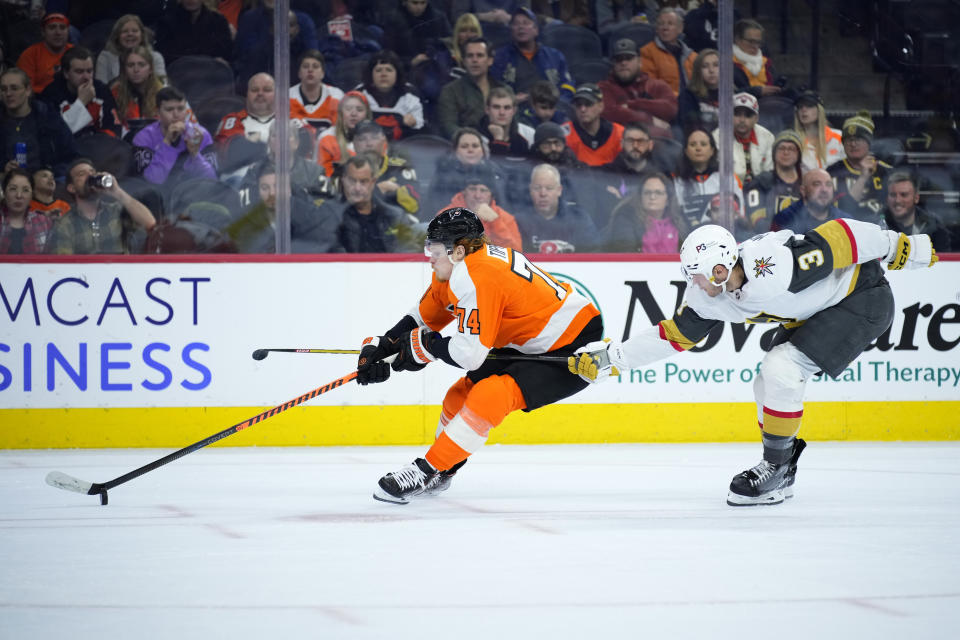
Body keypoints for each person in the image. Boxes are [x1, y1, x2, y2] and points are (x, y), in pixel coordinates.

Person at [570, 220, 939, 506]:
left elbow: (841, 236)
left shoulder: (772, 265)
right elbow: (671, 337)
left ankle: (775, 468)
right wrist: (611, 359)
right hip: (817, 312)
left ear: (719, 268)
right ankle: (784, 463)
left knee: (782, 369)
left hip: (863, 298)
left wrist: (899, 247)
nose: (693, 283)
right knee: (766, 382)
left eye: (698, 273)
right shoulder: (708, 295)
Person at [359, 206, 603, 504]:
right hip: (529, 339)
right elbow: (428, 314)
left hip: (572, 343)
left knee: (491, 395)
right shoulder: (460, 265)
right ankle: (443, 471)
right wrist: (384, 344)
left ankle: (427, 470)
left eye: (433, 250)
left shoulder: (477, 276)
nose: (429, 257)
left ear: (458, 250)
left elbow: (468, 355)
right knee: (457, 396)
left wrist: (425, 347)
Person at [48, 157, 156, 254]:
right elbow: (63, 267)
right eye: (82, 174)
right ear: (72, 188)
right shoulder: (65, 223)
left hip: (120, 274)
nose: (90, 175)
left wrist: (117, 192)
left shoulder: (116, 210)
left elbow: (150, 224)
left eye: (92, 172)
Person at [227, 161, 341, 253]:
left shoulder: (307, 217)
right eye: (265, 188)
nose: (272, 193)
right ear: (258, 192)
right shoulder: (247, 225)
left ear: (288, 189)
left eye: (277, 186)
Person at [133, 86, 217, 186]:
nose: (176, 115)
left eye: (181, 109)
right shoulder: (144, 138)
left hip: (193, 193)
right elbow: (152, 182)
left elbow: (212, 182)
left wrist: (195, 154)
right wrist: (167, 143)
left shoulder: (201, 135)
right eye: (169, 109)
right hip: (159, 196)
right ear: (158, 112)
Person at [1, 68, 76, 179]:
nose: (8, 94)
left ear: (28, 90)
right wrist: (3, 170)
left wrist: (49, 173)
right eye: (3, 89)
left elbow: (70, 155)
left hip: (48, 179)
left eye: (14, 88)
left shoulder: (48, 118)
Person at [238, 119, 330, 209]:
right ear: (269, 142)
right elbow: (246, 205)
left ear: (296, 143)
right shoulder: (255, 171)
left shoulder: (314, 172)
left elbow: (324, 206)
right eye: (275, 136)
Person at [490, 7, 576, 103]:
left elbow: (567, 85)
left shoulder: (555, 56)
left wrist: (557, 105)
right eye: (516, 24)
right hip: (514, 111)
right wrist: (512, 100)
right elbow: (494, 88)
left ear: (536, 30)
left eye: (526, 23)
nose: (520, 27)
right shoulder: (500, 57)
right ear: (511, 30)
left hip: (551, 109)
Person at [331, 154, 415, 253]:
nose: (357, 188)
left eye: (363, 182)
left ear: (373, 182)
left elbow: (408, 256)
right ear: (343, 180)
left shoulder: (395, 217)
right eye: (352, 181)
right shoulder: (331, 218)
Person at [598, 39, 677, 140]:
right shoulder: (603, 88)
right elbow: (609, 112)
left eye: (629, 58)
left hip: (657, 145)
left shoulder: (656, 85)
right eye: (618, 59)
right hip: (619, 143)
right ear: (613, 64)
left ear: (640, 62)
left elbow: (671, 109)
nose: (623, 63)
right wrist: (649, 119)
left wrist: (634, 105)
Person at [40, 46, 121, 138]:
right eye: (79, 72)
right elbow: (56, 135)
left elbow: (114, 128)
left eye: (89, 71)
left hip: (99, 147)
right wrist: (81, 102)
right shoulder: (51, 94)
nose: (86, 77)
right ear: (66, 73)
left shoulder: (101, 90)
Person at [827, 111, 893, 225]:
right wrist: (863, 177)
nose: (853, 144)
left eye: (858, 139)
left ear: (869, 142)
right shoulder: (832, 172)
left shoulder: (886, 172)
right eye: (849, 140)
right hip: (843, 227)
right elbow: (844, 209)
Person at [234, 0, 319, 87]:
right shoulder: (249, 19)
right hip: (257, 84)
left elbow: (312, 58)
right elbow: (244, 59)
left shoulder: (303, 21)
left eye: (291, 25)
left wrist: (292, 40)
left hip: (296, 85)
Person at [514, 163, 595, 252]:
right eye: (537, 188)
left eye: (549, 188)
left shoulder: (578, 217)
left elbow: (593, 253)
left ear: (559, 190)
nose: (543, 194)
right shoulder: (519, 221)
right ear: (530, 190)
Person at [351, 120, 423, 220]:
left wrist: (398, 191)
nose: (369, 144)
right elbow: (339, 208)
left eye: (374, 138)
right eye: (362, 139)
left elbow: (414, 206)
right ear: (354, 144)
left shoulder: (400, 167)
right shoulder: (344, 171)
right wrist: (380, 189)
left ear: (384, 141)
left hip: (396, 227)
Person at [673, 126, 742, 230]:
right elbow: (675, 215)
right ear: (686, 151)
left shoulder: (728, 177)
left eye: (703, 144)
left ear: (712, 150)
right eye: (692, 144)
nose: (698, 148)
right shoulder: (677, 181)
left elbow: (739, 211)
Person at [602, 172, 688, 253]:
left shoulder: (679, 222)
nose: (652, 197)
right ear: (640, 197)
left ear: (668, 199)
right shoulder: (626, 220)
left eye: (658, 193)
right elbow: (626, 255)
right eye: (647, 192)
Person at [436, 37, 505, 139]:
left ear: (490, 60)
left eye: (480, 55)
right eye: (470, 56)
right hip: (466, 148)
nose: (474, 60)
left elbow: (514, 123)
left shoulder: (504, 89)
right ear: (464, 61)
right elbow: (448, 126)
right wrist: (474, 140)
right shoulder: (450, 91)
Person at [426, 126, 505, 215]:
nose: (470, 150)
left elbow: (501, 208)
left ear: (482, 151)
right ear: (455, 151)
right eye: (464, 146)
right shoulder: (444, 174)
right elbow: (439, 210)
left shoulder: (491, 172)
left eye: (475, 146)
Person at [442, 164, 521, 249]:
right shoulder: (446, 216)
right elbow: (439, 249)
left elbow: (515, 254)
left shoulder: (506, 219)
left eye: (483, 190)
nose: (477, 195)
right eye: (472, 189)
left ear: (492, 195)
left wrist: (495, 222)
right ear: (464, 192)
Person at [743, 129, 804, 232]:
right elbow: (756, 220)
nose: (786, 152)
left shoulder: (807, 184)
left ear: (799, 154)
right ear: (774, 153)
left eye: (791, 149)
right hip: (768, 240)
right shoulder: (760, 182)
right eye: (781, 148)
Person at [355, 50, 425, 141]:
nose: (383, 74)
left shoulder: (410, 94)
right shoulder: (358, 95)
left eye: (389, 70)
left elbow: (421, 128)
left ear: (397, 74)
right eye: (378, 70)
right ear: (371, 74)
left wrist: (413, 123)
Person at [882, 171, 952, 252]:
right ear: (887, 198)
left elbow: (944, 261)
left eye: (904, 195)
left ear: (916, 198)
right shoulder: (877, 224)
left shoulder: (934, 226)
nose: (898, 200)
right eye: (893, 195)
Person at [712, 92, 773, 185]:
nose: (742, 120)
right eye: (737, 114)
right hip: (729, 189)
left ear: (756, 118)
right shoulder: (717, 137)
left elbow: (769, 172)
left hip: (760, 189)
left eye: (748, 115)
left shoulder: (768, 137)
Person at [155, 0, 234, 66]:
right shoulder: (166, 23)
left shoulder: (218, 21)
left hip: (210, 75)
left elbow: (226, 53)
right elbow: (165, 55)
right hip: (179, 74)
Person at [770, 168, 848, 234]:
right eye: (817, 184)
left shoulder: (845, 221)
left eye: (828, 184)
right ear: (803, 190)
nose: (824, 190)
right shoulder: (784, 220)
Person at [95, 14, 167, 86]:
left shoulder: (155, 57)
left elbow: (163, 87)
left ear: (142, 35)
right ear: (117, 36)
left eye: (135, 31)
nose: (130, 34)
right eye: (125, 31)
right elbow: (101, 88)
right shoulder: (105, 56)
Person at [111, 45, 165, 140]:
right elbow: (112, 127)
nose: (136, 70)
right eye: (131, 65)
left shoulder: (164, 93)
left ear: (151, 69)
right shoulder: (115, 93)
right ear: (124, 70)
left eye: (141, 65)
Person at [640, 8, 697, 96]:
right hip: (666, 103)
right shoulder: (647, 52)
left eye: (670, 24)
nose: (665, 28)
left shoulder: (693, 56)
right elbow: (650, 86)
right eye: (661, 24)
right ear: (657, 29)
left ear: (680, 28)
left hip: (694, 103)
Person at [565, 83, 624, 167]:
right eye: (578, 104)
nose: (583, 109)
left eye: (588, 104)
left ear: (601, 106)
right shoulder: (564, 133)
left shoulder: (619, 133)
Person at [316, 91, 372, 177]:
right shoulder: (326, 138)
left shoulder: (376, 138)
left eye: (359, 110)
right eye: (348, 109)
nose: (353, 114)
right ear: (340, 113)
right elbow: (322, 176)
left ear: (367, 115)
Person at [16, 12, 72, 94]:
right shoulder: (30, 54)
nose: (58, 32)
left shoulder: (75, 52)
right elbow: (25, 89)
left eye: (62, 28)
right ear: (43, 32)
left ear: (68, 32)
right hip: (40, 100)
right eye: (52, 28)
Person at [216, 73, 277, 147]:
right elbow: (229, 151)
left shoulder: (290, 119)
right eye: (254, 90)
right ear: (247, 94)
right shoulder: (234, 121)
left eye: (267, 90)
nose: (260, 93)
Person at [289, 50, 343, 134]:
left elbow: (340, 132)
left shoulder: (336, 96)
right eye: (306, 66)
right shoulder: (288, 96)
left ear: (323, 73)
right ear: (299, 73)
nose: (310, 70)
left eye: (315, 66)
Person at [0, 168, 53, 254]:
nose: (19, 195)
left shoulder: (44, 222)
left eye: (25, 190)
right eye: (13, 189)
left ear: (32, 195)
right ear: (4, 193)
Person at [732, 18, 784, 98]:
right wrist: (757, 91)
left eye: (758, 42)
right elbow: (730, 93)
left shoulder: (766, 63)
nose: (755, 46)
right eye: (751, 41)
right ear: (737, 39)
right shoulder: (726, 63)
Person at [793, 90, 843, 170]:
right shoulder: (794, 140)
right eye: (800, 106)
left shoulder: (839, 137)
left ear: (819, 110)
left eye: (809, 105)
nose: (804, 110)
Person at [480, 86, 533, 157]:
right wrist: (498, 140)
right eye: (496, 107)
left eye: (507, 108)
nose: (501, 112)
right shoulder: (477, 138)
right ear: (487, 110)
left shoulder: (528, 134)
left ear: (514, 111)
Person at [678, 48, 719, 131]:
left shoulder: (732, 94)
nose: (711, 70)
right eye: (705, 66)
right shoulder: (688, 95)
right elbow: (688, 123)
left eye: (716, 65)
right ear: (698, 71)